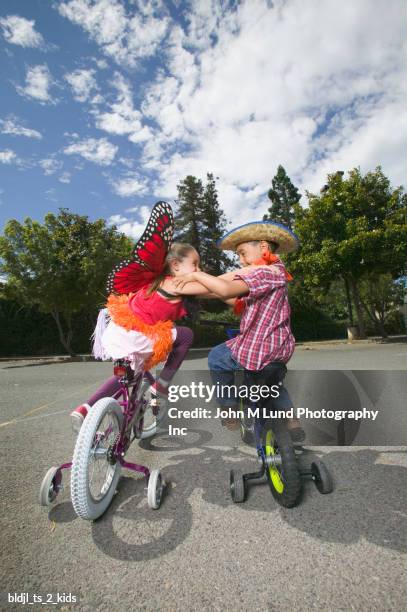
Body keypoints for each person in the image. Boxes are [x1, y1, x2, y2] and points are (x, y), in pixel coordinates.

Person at [172, 219, 304, 441]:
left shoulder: (262, 272)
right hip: (278, 348)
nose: (241, 261)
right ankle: (292, 422)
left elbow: (223, 288)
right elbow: (228, 295)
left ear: (263, 247)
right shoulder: (276, 274)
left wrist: (194, 275)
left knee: (217, 356)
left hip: (259, 346)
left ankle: (229, 408)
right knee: (272, 381)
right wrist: (187, 289)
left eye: (243, 253)